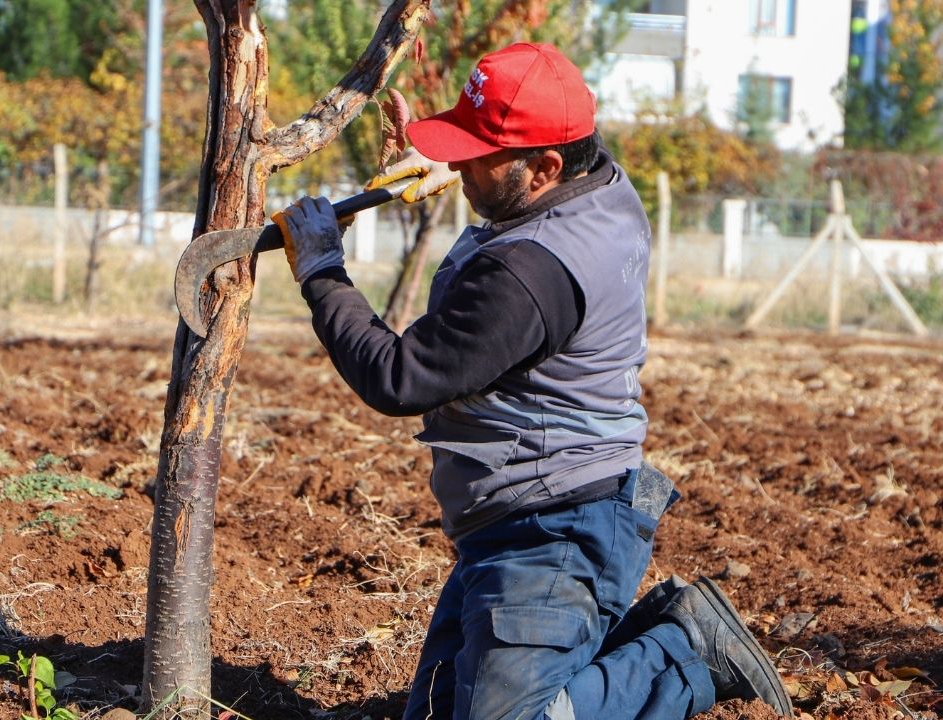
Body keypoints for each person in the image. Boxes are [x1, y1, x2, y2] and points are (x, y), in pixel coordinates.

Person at [274, 42, 793, 720]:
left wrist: (321, 272)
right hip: (523, 515)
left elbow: (398, 378)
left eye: (475, 154)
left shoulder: (530, 272)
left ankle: (682, 650)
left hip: (555, 528)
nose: (458, 163)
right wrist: (454, 171)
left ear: (545, 166)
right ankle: (634, 650)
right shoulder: (599, 183)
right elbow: (512, 213)